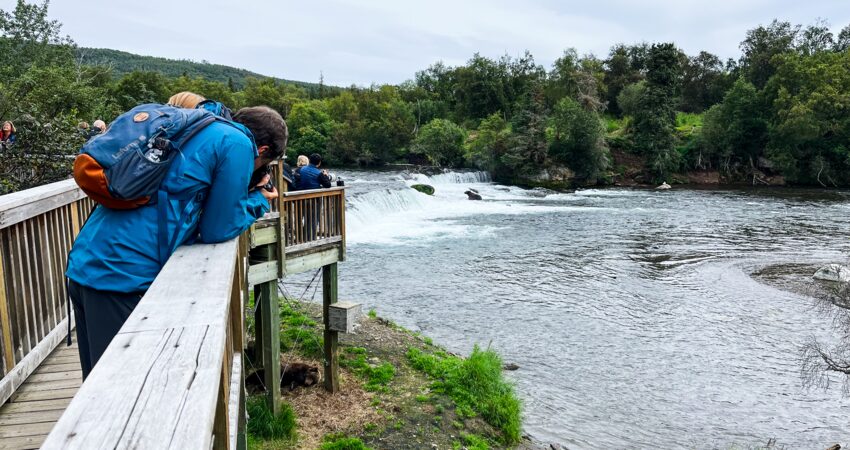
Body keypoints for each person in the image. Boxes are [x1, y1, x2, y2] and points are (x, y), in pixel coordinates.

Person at [66, 105, 287, 379]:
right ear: (263, 150)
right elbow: (218, 228)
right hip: (120, 273)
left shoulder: (204, 128)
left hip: (91, 259)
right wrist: (257, 201)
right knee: (119, 388)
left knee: (96, 386)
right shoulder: (238, 143)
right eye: (263, 164)